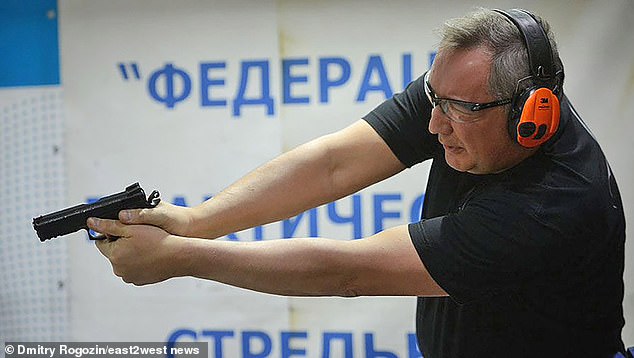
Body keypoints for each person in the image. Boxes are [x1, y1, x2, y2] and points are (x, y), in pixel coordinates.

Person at [87, 8, 627, 357]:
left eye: (457, 112)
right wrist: (196, 221)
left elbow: (346, 271)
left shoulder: (554, 208)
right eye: (432, 100)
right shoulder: (460, 92)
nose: (434, 124)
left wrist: (183, 257)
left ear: (531, 114)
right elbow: (334, 163)